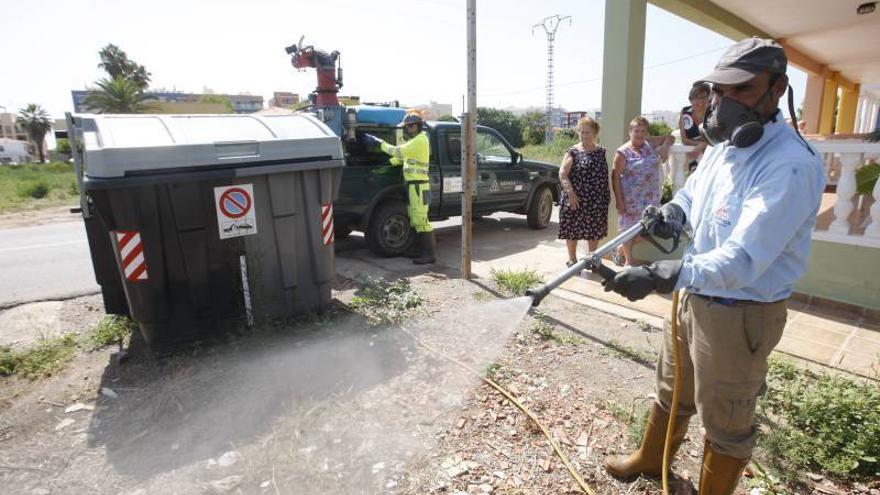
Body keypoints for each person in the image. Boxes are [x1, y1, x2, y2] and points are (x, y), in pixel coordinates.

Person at [601, 38, 824, 494]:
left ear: (778, 89)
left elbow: (743, 260)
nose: (725, 103)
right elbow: (692, 192)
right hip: (694, 292)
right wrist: (674, 211)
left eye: (742, 90)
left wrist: (661, 275)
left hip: (740, 311)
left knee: (726, 418)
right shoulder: (725, 146)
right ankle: (650, 459)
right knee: (672, 387)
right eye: (721, 91)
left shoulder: (789, 164)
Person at [363, 111, 435, 264]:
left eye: (407, 127)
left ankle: (429, 255)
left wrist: (379, 143)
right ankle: (417, 250)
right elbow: (403, 157)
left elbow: (398, 151)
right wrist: (388, 164)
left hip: (418, 187)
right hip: (414, 186)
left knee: (421, 221)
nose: (405, 129)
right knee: (415, 219)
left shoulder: (420, 140)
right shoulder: (416, 140)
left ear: (415, 126)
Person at [611, 116, 673, 266]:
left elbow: (670, 137)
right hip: (631, 199)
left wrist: (664, 147)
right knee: (628, 230)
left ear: (647, 133)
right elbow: (615, 178)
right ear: (630, 132)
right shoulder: (622, 153)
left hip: (651, 198)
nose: (639, 134)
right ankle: (629, 262)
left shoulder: (648, 144)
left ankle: (620, 249)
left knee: (646, 230)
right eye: (636, 131)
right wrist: (619, 201)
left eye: (643, 131)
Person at [558, 117, 609, 267]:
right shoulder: (573, 152)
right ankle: (572, 260)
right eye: (581, 132)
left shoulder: (601, 152)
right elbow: (562, 173)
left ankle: (591, 259)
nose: (584, 135)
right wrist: (571, 193)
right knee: (572, 229)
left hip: (596, 199)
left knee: (594, 230)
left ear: (595, 133)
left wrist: (605, 197)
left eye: (587, 132)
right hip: (575, 198)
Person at [679, 82, 711, 173]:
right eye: (696, 97)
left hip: (709, 156)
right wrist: (702, 144)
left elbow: (718, 138)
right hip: (691, 157)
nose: (700, 101)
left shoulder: (713, 113)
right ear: (690, 99)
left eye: (704, 97)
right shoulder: (685, 112)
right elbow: (684, 140)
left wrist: (701, 146)